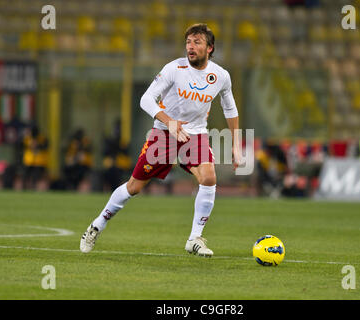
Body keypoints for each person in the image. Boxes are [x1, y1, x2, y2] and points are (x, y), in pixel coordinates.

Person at [80, 23, 242, 257]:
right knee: (134, 187)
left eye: (197, 42)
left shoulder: (221, 76)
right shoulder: (174, 69)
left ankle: (194, 238)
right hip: (164, 133)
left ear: (210, 48)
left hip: (195, 134)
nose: (191, 46)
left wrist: (236, 144)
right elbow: (146, 99)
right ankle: (97, 225)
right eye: (188, 42)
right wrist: (170, 123)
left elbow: (230, 108)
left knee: (208, 177)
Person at [22, 124, 49, 190]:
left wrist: (38, 146)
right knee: (25, 176)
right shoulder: (27, 138)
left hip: (39, 162)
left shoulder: (42, 138)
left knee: (35, 176)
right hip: (29, 161)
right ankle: (24, 188)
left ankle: (33, 187)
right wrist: (30, 146)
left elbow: (46, 146)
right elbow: (21, 146)